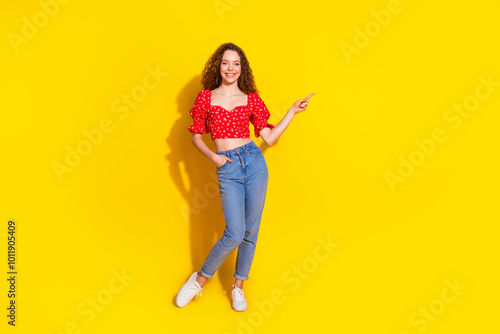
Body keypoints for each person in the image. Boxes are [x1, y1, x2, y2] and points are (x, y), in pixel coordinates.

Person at [176, 42, 314, 311]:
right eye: (226, 63)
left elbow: (269, 138)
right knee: (234, 232)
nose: (231, 68)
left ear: (242, 68)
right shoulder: (206, 97)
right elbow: (195, 136)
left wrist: (291, 112)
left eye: (236, 64)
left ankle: (238, 288)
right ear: (218, 66)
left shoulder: (251, 99)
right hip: (227, 166)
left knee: (250, 231)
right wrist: (214, 157)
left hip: (253, 162)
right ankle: (199, 281)